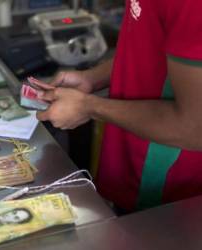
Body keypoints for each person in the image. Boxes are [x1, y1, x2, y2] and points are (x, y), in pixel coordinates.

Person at [32, 0, 202, 212]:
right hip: (129, 165)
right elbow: (151, 48)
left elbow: (194, 128)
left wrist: (90, 107)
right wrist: (92, 78)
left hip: (168, 191)